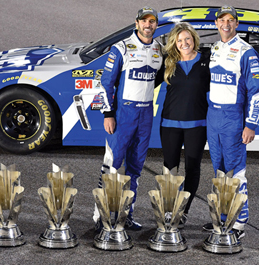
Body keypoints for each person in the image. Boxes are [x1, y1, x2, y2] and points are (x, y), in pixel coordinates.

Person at [94, 6, 163, 231]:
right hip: (123, 115)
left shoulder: (159, 50)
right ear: (136, 23)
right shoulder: (121, 48)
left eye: (152, 21)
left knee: (135, 168)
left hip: (145, 115)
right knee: (112, 166)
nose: (148, 25)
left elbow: (159, 78)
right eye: (144, 21)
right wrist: (108, 114)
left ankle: (126, 214)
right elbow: (105, 84)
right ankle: (101, 217)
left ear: (156, 25)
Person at [203, 6, 259, 239]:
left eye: (230, 20)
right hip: (214, 117)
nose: (225, 24)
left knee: (236, 172)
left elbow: (256, 93)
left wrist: (251, 125)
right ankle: (223, 218)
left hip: (233, 119)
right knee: (219, 171)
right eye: (221, 20)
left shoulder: (247, 52)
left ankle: (239, 223)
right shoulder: (216, 48)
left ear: (237, 24)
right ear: (216, 24)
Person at [157, 22, 210, 228]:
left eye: (187, 39)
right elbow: (145, 82)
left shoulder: (206, 61)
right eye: (180, 40)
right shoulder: (168, 62)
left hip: (197, 124)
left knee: (193, 168)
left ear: (194, 39)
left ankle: (183, 211)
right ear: (174, 43)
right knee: (170, 168)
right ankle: (169, 210)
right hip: (170, 123)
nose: (184, 43)